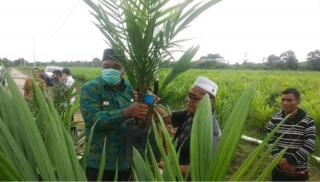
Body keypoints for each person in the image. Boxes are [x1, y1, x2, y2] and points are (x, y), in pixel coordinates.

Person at [80, 48, 149, 181]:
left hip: (126, 161)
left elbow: (140, 120)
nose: (111, 70)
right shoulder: (90, 88)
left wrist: (148, 107)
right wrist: (126, 112)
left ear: (124, 69)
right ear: (101, 66)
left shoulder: (131, 89)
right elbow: (93, 120)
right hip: (99, 163)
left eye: (116, 66)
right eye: (106, 66)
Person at [158, 76, 221, 176]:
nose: (188, 100)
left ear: (210, 102)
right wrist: (150, 102)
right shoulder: (189, 113)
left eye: (194, 97)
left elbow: (198, 169)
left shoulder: (211, 132)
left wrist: (166, 166)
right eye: (189, 95)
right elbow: (166, 118)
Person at [267, 88, 316, 181]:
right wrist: (280, 161)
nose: (285, 103)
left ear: (298, 101)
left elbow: (310, 145)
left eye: (289, 100)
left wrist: (290, 161)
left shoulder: (307, 121)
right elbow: (270, 141)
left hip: (298, 173)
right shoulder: (274, 119)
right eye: (283, 100)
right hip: (278, 169)